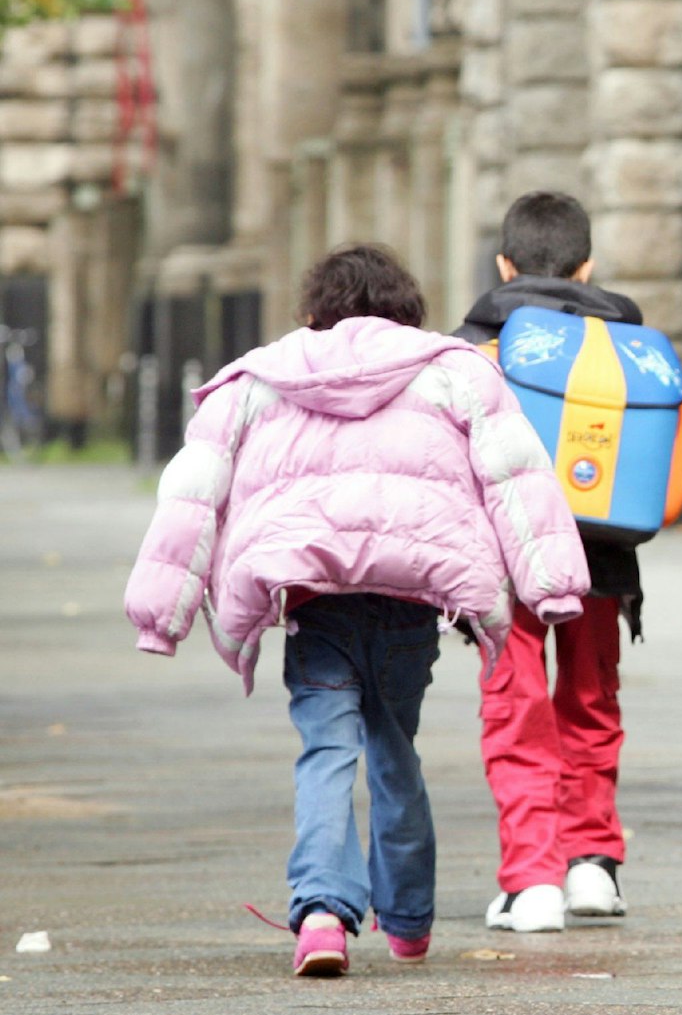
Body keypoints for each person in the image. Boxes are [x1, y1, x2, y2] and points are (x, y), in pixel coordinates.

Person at [124, 243, 590, 977]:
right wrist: (553, 583)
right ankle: (406, 918)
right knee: (393, 746)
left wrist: (161, 610)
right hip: (411, 594)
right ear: (409, 311)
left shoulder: (264, 375)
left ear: (314, 312)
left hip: (313, 596)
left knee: (325, 748)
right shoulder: (455, 370)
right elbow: (515, 476)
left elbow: (196, 489)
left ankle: (319, 913)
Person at [454, 191, 648, 933]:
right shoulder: (626, 334)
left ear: (503, 264)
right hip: (604, 555)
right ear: (587, 264)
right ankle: (594, 864)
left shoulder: (473, 341)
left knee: (516, 706)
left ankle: (532, 877)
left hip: (509, 562)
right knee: (592, 701)